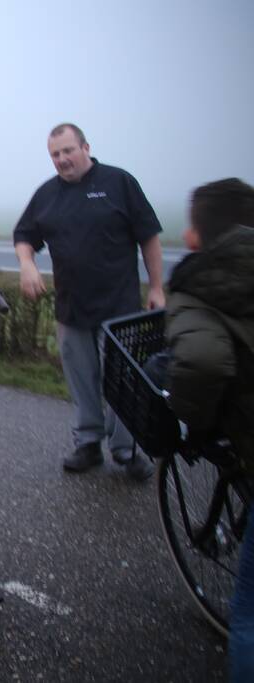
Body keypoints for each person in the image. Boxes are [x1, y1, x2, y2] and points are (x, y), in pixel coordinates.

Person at [14, 123, 164, 480]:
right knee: (81, 380)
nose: (62, 159)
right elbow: (23, 235)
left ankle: (126, 451)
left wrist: (157, 287)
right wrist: (26, 264)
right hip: (72, 308)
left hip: (119, 308)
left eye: (68, 150)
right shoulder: (47, 195)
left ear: (85, 147)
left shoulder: (118, 183)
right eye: (55, 154)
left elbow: (150, 237)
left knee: (123, 382)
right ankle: (88, 444)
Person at [161, 178, 254, 681]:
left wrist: (191, 423)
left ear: (195, 235)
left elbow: (199, 363)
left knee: (251, 617)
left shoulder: (202, 281)